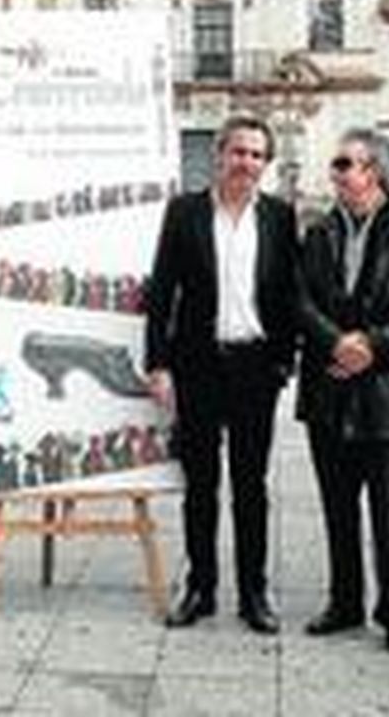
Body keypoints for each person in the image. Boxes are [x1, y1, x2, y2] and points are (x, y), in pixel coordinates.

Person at [143, 114, 299, 633]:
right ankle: (201, 588)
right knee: (202, 485)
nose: (247, 163)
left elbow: (287, 295)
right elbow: (162, 293)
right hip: (198, 367)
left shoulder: (280, 216)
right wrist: (158, 362)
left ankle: (254, 593)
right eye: (239, 152)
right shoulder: (184, 212)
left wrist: (283, 362)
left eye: (257, 155)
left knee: (251, 485)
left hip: (256, 367)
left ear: (265, 163)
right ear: (220, 155)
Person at [298, 128, 389, 655]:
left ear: (375, 171)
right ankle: (344, 602)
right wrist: (338, 342)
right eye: (335, 165)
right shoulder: (318, 234)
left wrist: (374, 344)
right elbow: (300, 301)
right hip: (330, 393)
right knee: (338, 508)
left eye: (345, 163)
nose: (337, 173)